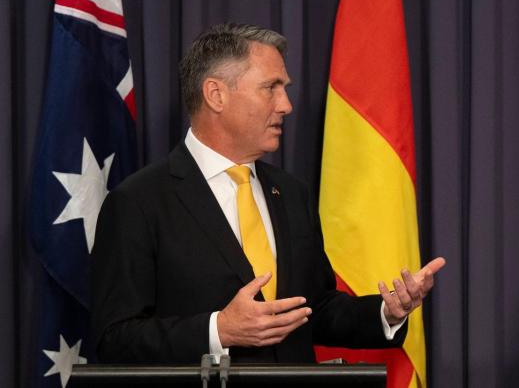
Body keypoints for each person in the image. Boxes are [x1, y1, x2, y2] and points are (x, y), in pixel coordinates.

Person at [91, 23, 445, 363]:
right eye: (271, 87)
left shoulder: (291, 193)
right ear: (216, 95)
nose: (286, 105)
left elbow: (313, 308)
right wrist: (218, 331)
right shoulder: (138, 202)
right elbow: (113, 338)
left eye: (284, 88)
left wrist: (386, 311)